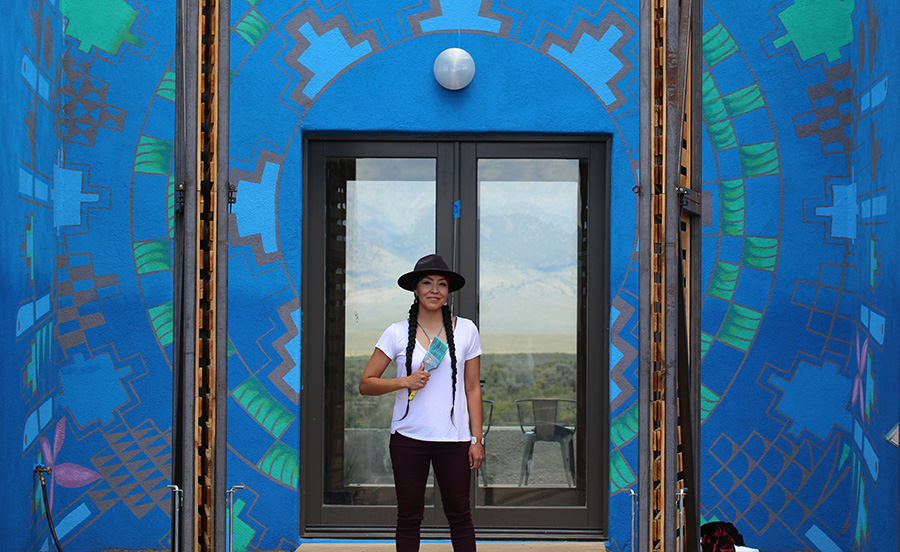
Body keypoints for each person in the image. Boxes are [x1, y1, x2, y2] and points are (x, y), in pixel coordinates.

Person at [359, 254, 484, 552]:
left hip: (453, 439)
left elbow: (472, 388)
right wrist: (405, 381)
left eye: (442, 284)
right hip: (408, 439)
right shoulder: (396, 332)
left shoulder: (467, 330)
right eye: (427, 283)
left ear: (448, 291)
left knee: (460, 515)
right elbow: (366, 383)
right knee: (409, 517)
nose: (434, 290)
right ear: (415, 289)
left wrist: (476, 439)